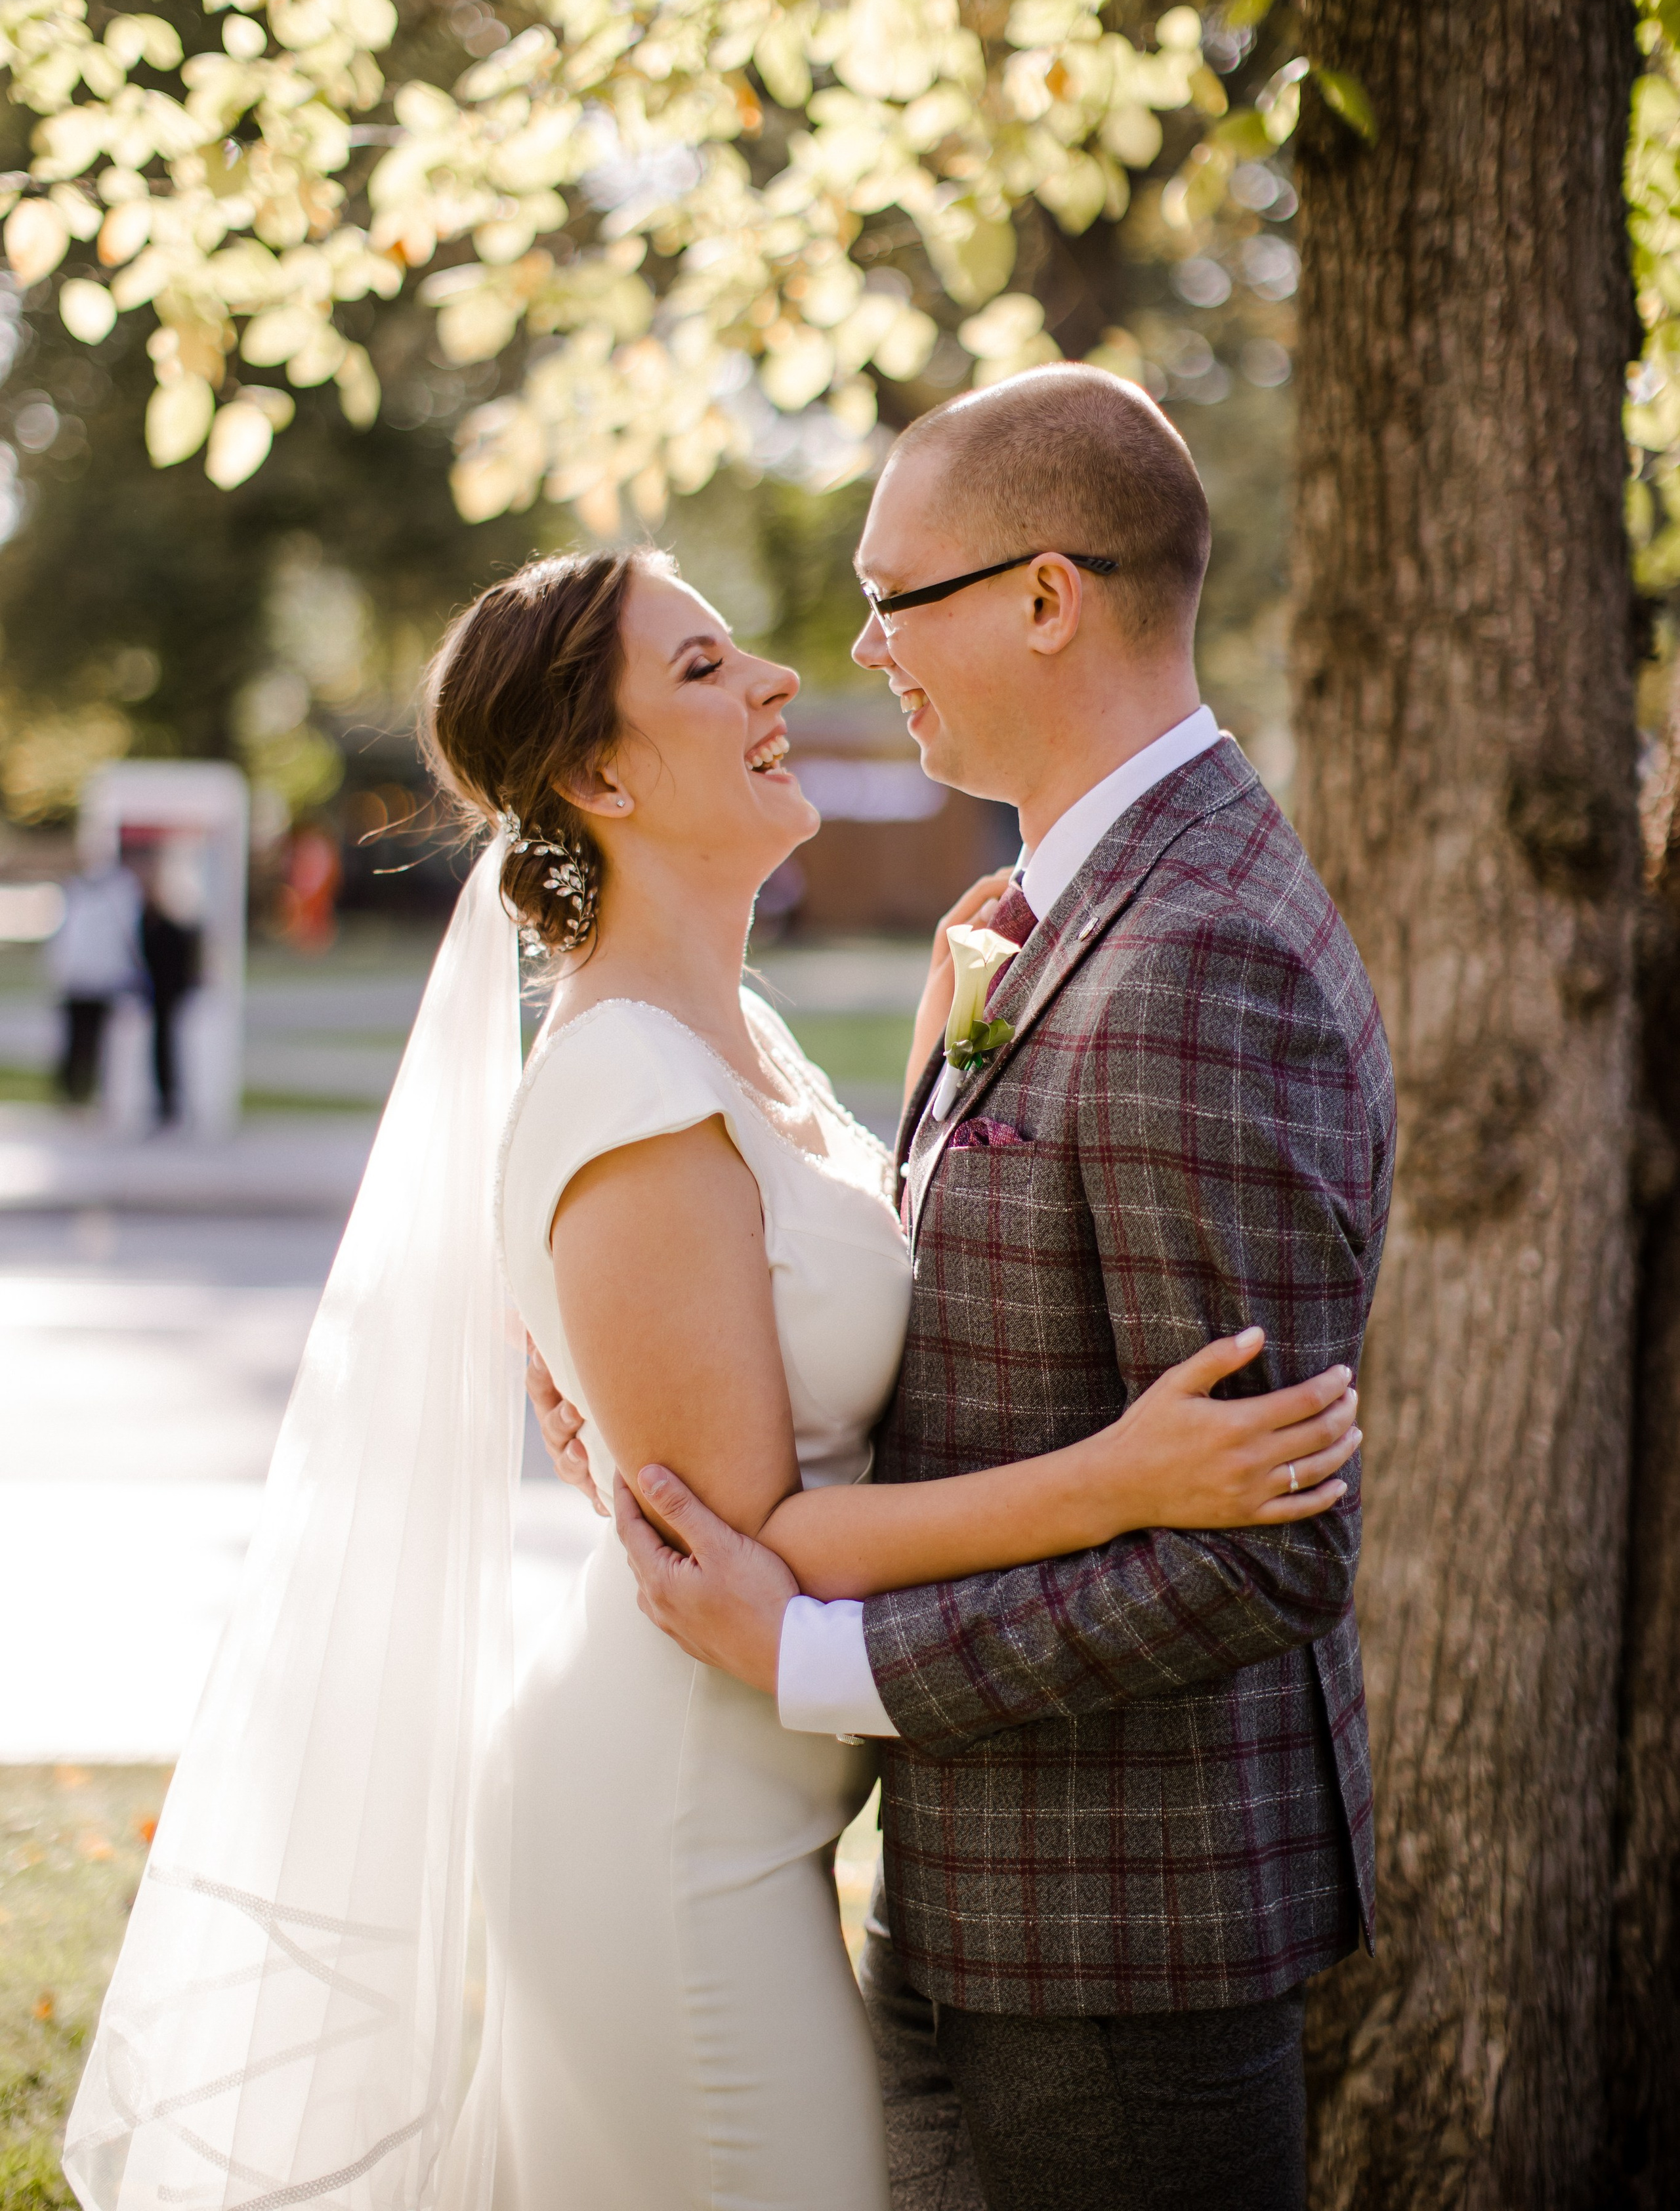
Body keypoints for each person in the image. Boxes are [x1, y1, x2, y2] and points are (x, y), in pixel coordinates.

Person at [63, 387, 1374, 2211]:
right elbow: (747, 1518)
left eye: (885, 597)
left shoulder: (782, 1028)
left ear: (1048, 596)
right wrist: (1115, 1482)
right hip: (671, 1830)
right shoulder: (626, 1085)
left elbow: (882, 1318)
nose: (797, 673)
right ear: (599, 779)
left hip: (879, 1845)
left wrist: (938, 1074)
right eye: (710, 666)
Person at [549, 366, 1396, 2211]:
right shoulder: (1048, 916)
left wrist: (812, 1658)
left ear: (1042, 595)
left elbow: (1264, 1546)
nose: (858, 652)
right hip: (974, 1899)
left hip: (1122, 1942)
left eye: (896, 596)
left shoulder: (1199, 955)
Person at [46, 851, 142, 1105]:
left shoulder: (119, 894)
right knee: (74, 1040)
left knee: (97, 1042)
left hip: (101, 981)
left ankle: (91, 1093)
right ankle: (70, 1093)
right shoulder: (76, 893)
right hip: (77, 980)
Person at [137, 860, 201, 1124]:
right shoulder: (148, 925)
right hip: (158, 995)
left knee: (167, 1049)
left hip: (167, 996)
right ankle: (164, 1101)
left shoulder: (171, 930)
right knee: (160, 1049)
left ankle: (170, 1101)